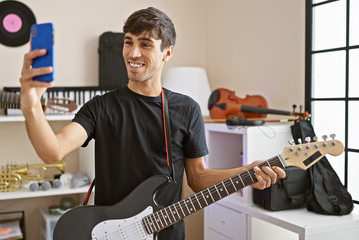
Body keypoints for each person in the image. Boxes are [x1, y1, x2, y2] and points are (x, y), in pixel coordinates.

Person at [19, 7, 285, 239]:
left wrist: (247, 173)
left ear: (167, 53)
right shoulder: (101, 107)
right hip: (109, 234)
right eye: (128, 42)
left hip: (166, 234)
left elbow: (198, 178)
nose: (133, 53)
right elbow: (51, 150)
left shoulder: (186, 109)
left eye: (145, 44)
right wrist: (30, 104)